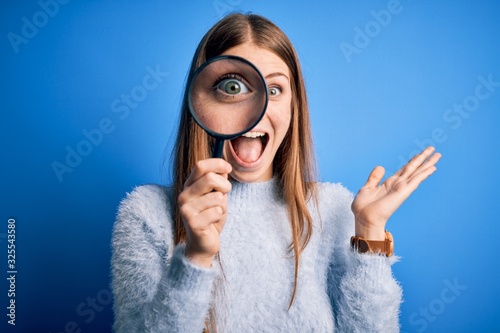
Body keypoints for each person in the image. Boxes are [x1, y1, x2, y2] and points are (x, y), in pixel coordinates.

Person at [111, 13, 441, 333]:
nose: (257, 113)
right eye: (232, 87)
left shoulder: (334, 209)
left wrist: (369, 231)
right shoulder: (146, 213)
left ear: (294, 106)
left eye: (273, 90)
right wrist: (196, 257)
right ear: (201, 100)